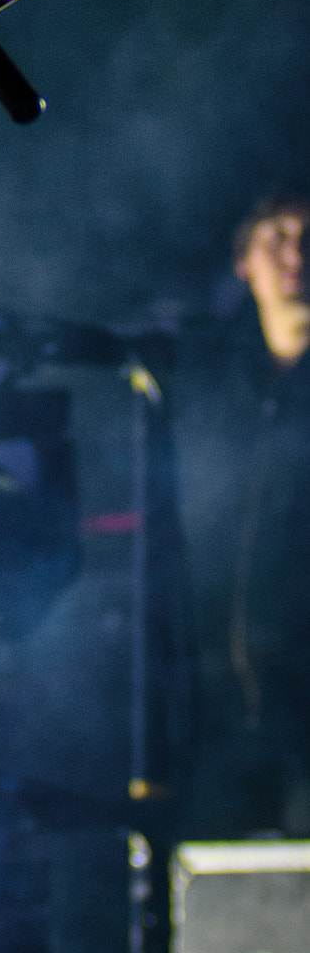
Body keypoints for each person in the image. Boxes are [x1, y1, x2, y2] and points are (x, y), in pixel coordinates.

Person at [174, 194, 310, 839]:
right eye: (277, 237)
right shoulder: (211, 385)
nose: (296, 255)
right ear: (243, 262)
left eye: (308, 237)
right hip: (221, 711)